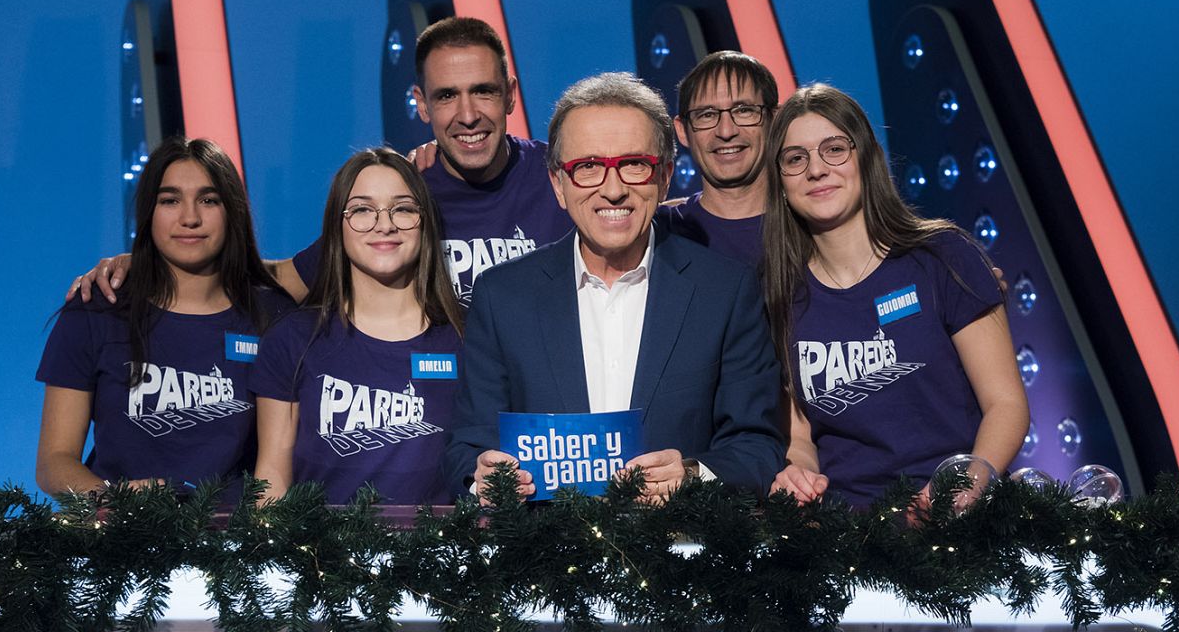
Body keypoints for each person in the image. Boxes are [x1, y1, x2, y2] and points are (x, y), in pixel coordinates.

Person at [445, 72, 784, 502]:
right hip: (544, 557)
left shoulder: (726, 291)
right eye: (587, 167)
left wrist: (692, 475)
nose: (613, 189)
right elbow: (466, 447)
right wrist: (484, 479)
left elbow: (757, 447)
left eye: (634, 165)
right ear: (558, 184)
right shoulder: (501, 296)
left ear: (663, 178)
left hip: (679, 554)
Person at [67, 17, 571, 306]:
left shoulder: (567, 179)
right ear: (420, 103)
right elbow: (284, 279)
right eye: (446, 96)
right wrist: (156, 264)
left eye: (482, 92)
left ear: (509, 95)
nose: (467, 114)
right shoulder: (400, 195)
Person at [761, 84, 1028, 508]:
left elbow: (1006, 403)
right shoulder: (778, 293)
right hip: (853, 539)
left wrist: (967, 483)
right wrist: (800, 472)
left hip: (961, 519)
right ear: (780, 181)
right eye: (796, 159)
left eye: (834, 149)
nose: (816, 169)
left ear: (866, 158)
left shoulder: (943, 256)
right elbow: (800, 435)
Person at [35, 137, 291, 498]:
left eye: (208, 200)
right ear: (147, 213)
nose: (190, 218)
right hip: (120, 538)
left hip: (233, 542)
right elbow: (54, 459)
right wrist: (113, 502)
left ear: (232, 210)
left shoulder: (274, 318)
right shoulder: (95, 308)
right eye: (170, 200)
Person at [249, 148, 464, 505]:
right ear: (337, 226)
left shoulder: (467, 336)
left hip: (439, 558)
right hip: (318, 558)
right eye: (363, 209)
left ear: (425, 223)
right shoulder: (292, 340)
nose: (385, 224)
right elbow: (271, 479)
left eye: (403, 208)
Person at [661, 50, 778, 267]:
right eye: (707, 115)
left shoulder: (816, 226)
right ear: (683, 131)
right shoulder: (657, 233)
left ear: (775, 121)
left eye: (744, 110)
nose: (726, 131)